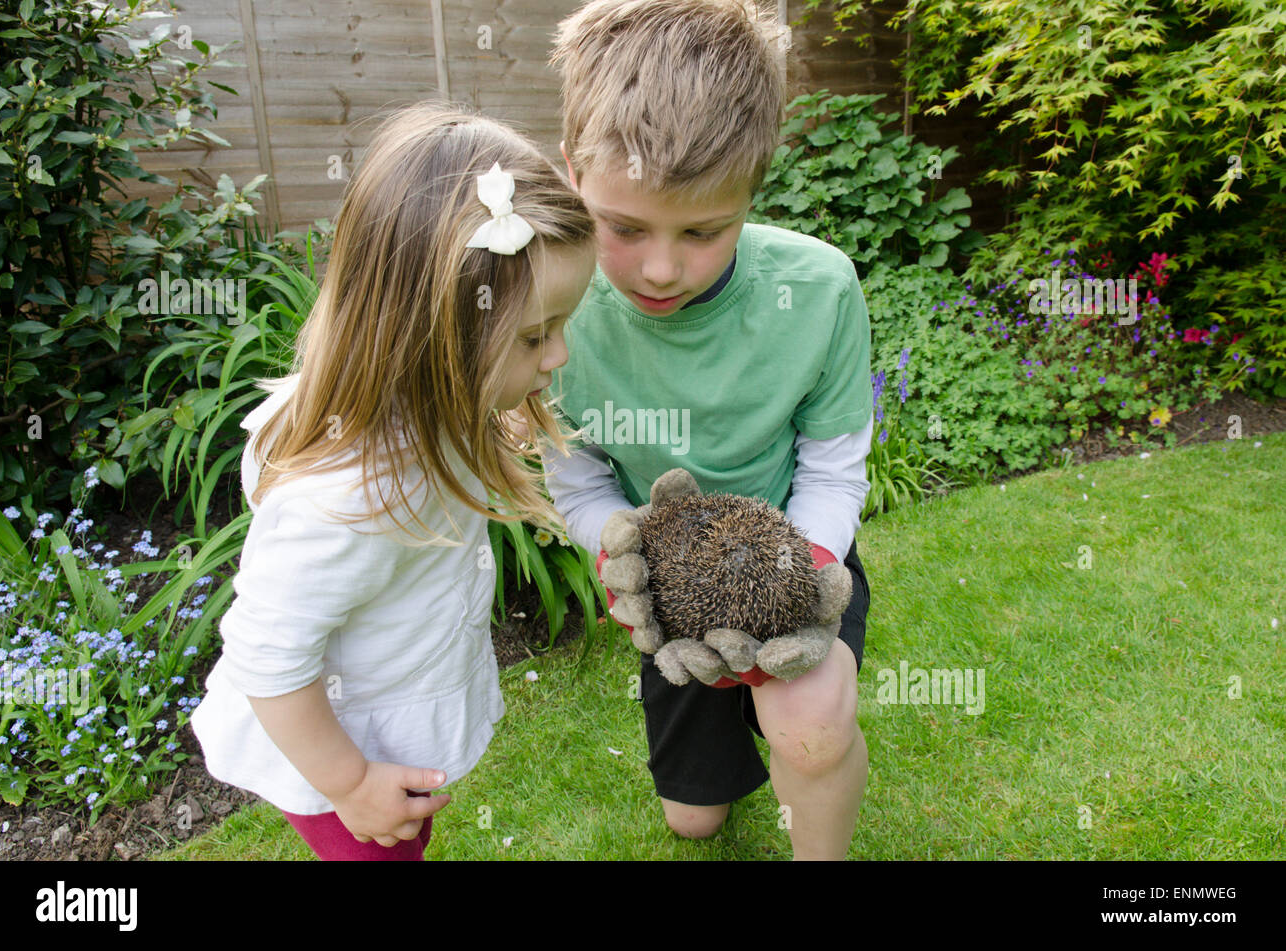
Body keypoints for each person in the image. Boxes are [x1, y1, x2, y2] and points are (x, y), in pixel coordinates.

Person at [189, 102, 595, 861]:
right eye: (537, 335)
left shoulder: (428, 407)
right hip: (347, 756)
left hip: (385, 738)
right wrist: (349, 785)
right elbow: (266, 659)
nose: (559, 354)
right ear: (435, 331)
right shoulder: (351, 495)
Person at [544, 0, 873, 860]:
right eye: (624, 227)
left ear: (751, 192)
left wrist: (805, 572)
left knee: (811, 730)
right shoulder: (548, 313)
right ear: (573, 171)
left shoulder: (824, 288)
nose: (661, 268)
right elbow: (577, 482)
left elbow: (833, 471)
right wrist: (618, 547)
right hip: (666, 584)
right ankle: (717, 753)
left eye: (703, 231)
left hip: (796, 553)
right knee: (695, 818)